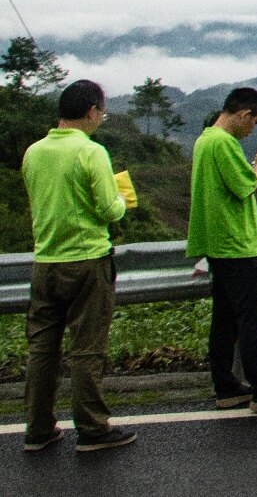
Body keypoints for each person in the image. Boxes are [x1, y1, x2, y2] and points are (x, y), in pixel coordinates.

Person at [22, 80, 135, 452]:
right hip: (88, 262)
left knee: (42, 348)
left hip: (45, 262)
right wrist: (122, 199)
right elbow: (109, 209)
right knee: (87, 348)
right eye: (102, 112)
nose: (102, 118)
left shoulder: (33, 152)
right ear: (91, 111)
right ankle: (92, 428)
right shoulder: (91, 151)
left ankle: (38, 429)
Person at [188, 87, 257, 415]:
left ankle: (226, 386)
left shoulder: (205, 139)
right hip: (235, 244)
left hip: (216, 243)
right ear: (243, 114)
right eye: (255, 121)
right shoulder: (225, 143)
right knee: (251, 319)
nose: (254, 128)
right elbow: (245, 186)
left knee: (224, 319)